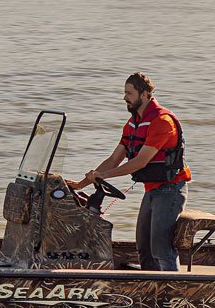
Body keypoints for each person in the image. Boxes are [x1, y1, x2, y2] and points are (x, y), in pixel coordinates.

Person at [69, 73, 191, 271]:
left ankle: (171, 286)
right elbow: (113, 159)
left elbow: (140, 162)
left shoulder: (162, 121)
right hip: (152, 191)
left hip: (171, 191)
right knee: (144, 248)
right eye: (124, 93)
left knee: (161, 249)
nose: (124, 97)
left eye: (129, 93)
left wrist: (104, 176)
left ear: (144, 95)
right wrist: (81, 184)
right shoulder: (133, 124)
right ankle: (148, 284)